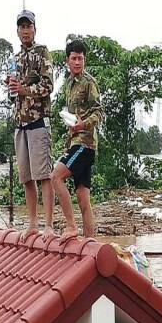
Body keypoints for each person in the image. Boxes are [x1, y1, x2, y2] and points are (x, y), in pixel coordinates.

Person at [7, 10, 55, 240]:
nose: (25, 30)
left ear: (35, 29)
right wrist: (12, 87)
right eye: (21, 27)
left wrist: (25, 90)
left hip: (38, 121)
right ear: (17, 31)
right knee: (26, 177)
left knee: (43, 175)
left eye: (28, 26)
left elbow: (48, 86)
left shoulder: (42, 52)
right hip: (20, 123)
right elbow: (12, 94)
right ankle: (33, 223)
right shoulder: (14, 59)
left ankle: (49, 225)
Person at [51, 39, 104, 242]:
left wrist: (82, 125)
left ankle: (71, 227)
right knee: (83, 199)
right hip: (75, 142)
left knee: (55, 177)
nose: (77, 62)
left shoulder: (89, 82)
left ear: (84, 60)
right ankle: (90, 243)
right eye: (74, 58)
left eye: (80, 58)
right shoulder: (68, 85)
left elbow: (99, 112)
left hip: (85, 144)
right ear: (67, 61)